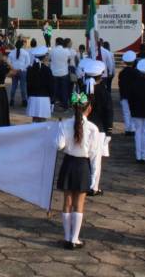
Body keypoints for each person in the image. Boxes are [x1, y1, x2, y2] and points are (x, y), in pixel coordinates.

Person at [55, 92, 100, 250]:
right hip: (82, 166)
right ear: (89, 109)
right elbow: (95, 155)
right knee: (79, 203)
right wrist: (95, 181)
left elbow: (59, 145)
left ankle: (67, 238)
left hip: (68, 163)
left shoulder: (64, 124)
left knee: (67, 202)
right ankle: (75, 239)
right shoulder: (93, 128)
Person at [81, 59, 112, 196]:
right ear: (101, 75)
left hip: (83, 126)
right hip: (98, 129)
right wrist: (109, 130)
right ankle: (93, 186)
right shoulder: (104, 92)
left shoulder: (82, 89)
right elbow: (108, 112)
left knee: (84, 156)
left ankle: (83, 183)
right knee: (95, 160)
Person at [26, 46, 54, 122]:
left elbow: (28, 84)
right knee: (42, 121)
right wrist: (52, 99)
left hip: (33, 97)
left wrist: (29, 96)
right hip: (44, 98)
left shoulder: (30, 69)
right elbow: (50, 85)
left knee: (34, 120)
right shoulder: (47, 69)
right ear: (44, 57)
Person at [118, 51, 137, 137]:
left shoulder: (122, 73)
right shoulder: (136, 73)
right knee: (133, 112)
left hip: (124, 95)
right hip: (133, 96)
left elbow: (120, 85)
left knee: (126, 112)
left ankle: (127, 129)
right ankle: (132, 129)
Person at [50, 38, 72, 110]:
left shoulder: (52, 50)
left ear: (56, 43)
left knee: (54, 90)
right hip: (64, 73)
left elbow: (49, 59)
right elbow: (69, 60)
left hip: (54, 73)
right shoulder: (66, 51)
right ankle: (65, 106)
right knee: (64, 90)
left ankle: (52, 106)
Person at [7, 39, 31, 107]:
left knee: (14, 86)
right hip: (22, 71)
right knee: (23, 86)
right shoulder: (25, 52)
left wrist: (13, 69)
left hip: (14, 71)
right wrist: (21, 69)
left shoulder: (11, 52)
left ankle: (12, 100)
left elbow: (8, 61)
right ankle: (24, 101)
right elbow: (28, 63)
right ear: (22, 45)